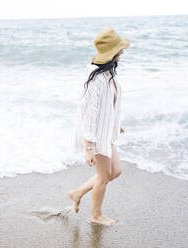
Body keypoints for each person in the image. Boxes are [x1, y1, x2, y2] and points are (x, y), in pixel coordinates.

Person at [68, 29, 130, 226]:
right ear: (112, 53)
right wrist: (89, 147)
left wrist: (115, 124)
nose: (123, 53)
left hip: (104, 132)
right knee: (104, 177)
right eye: (120, 50)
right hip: (94, 135)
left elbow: (107, 106)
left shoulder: (107, 73)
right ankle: (96, 216)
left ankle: (78, 193)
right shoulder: (95, 79)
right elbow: (91, 114)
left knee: (115, 171)